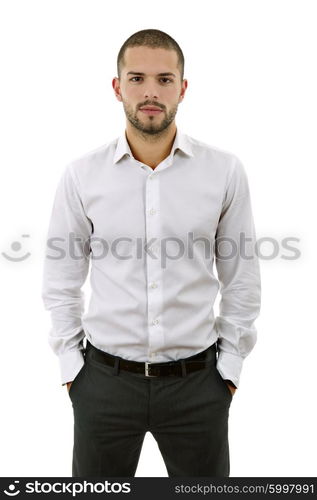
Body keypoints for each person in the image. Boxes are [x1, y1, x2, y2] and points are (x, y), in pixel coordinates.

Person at [41, 28, 261, 477]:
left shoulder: (224, 171)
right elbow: (61, 278)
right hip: (103, 383)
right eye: (137, 78)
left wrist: (230, 369)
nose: (150, 92)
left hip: (198, 385)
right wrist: (72, 370)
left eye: (164, 80)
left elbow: (242, 276)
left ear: (182, 87)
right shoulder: (82, 175)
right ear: (118, 86)